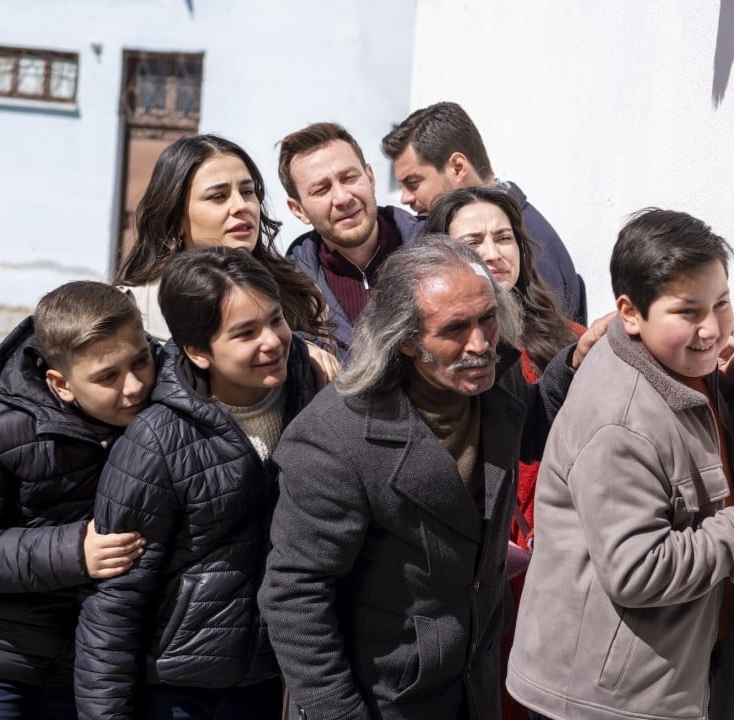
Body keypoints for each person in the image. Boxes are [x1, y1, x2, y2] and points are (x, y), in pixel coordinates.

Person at [259, 234, 606, 720]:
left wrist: (573, 365)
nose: (480, 344)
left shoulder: (495, 377)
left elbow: (526, 428)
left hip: (475, 684)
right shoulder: (332, 440)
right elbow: (295, 599)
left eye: (488, 318)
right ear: (404, 340)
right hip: (384, 699)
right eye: (455, 329)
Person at [506, 209, 734, 720]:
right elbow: (639, 569)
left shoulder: (669, 366)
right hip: (599, 704)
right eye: (687, 312)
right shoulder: (621, 420)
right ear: (631, 313)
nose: (711, 327)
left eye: (721, 303)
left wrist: (716, 391)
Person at [74, 246, 320, 720]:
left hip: (274, 681)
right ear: (198, 352)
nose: (272, 341)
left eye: (276, 320)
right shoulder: (158, 441)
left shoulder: (312, 394)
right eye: (245, 333)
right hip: (181, 693)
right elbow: (116, 603)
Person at [0, 281, 153, 720]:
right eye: (107, 377)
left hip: (91, 669)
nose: (134, 386)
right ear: (60, 384)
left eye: (140, 360)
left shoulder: (164, 408)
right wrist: (76, 552)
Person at [425, 186, 583, 720]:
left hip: (561, 562)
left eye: (504, 237)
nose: (493, 253)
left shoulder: (570, 340)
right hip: (484, 566)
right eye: (473, 242)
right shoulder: (433, 361)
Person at [117, 133, 339, 379]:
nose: (241, 206)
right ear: (176, 219)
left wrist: (296, 352)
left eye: (247, 191)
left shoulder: (301, 294)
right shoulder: (133, 311)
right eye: (218, 196)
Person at [382, 101, 586, 324]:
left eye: (413, 182)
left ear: (458, 167)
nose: (405, 198)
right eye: (473, 243)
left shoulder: (534, 252)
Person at [278, 122, 424, 355]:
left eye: (349, 178)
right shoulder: (288, 296)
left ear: (370, 178)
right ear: (298, 210)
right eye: (321, 189)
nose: (342, 198)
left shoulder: (437, 248)